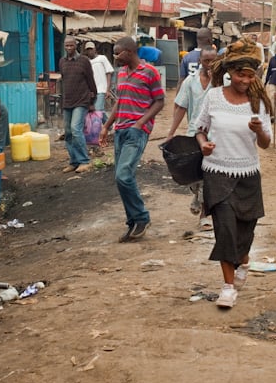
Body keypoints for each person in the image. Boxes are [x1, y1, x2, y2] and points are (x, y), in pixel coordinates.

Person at [193, 38, 272, 308]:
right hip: (217, 171)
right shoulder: (214, 96)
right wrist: (204, 145)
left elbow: (266, 143)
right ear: (229, 72)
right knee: (225, 229)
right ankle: (227, 287)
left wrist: (259, 129)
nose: (245, 80)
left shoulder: (257, 101)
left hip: (248, 174)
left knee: (245, 231)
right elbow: (199, 129)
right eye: (240, 74)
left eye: (250, 75)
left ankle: (244, 260)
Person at [99, 36, 165, 243]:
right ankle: (133, 222)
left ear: (130, 51)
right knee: (120, 179)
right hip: (120, 130)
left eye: (118, 53)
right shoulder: (121, 73)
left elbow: (160, 101)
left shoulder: (150, 72)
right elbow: (120, 102)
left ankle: (142, 218)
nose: (115, 56)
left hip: (137, 131)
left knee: (124, 175)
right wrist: (106, 126)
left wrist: (140, 123)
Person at [165, 46, 217, 229]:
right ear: (200, 61)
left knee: (208, 176)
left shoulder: (222, 82)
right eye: (206, 61)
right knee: (195, 176)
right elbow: (181, 107)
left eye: (213, 61)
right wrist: (171, 132)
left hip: (216, 136)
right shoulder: (190, 81)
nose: (210, 64)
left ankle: (205, 215)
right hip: (194, 134)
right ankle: (196, 194)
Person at [59, 36, 97, 174]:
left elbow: (91, 81)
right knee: (68, 133)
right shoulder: (62, 62)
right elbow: (64, 81)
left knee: (76, 129)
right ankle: (74, 161)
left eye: (71, 45)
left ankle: (84, 161)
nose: (69, 48)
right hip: (67, 101)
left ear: (76, 46)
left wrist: (93, 100)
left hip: (81, 101)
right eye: (66, 46)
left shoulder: (84, 61)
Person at [83, 41, 114, 112]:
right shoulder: (87, 62)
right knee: (98, 111)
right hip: (92, 91)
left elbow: (108, 73)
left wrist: (108, 89)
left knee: (98, 109)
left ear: (95, 49)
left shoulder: (102, 58)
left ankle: (107, 123)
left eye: (91, 49)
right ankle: (107, 123)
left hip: (102, 89)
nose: (90, 51)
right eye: (88, 50)